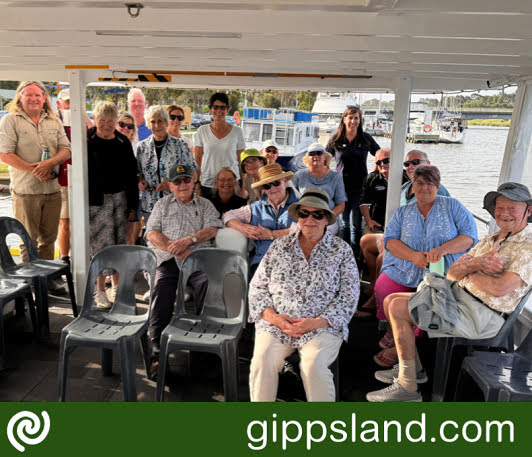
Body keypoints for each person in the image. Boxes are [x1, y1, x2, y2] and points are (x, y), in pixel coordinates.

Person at [367, 182, 532, 402]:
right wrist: (476, 265)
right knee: (391, 299)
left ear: (528, 210)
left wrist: (471, 268)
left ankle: (408, 388)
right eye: (500, 207)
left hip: (482, 316)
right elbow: (454, 272)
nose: (504, 213)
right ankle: (414, 371)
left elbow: (498, 288)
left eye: (512, 207)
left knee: (398, 308)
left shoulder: (528, 246)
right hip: (461, 299)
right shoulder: (492, 238)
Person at [248, 188, 359, 401]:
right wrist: (274, 318)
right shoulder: (279, 246)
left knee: (313, 366)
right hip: (277, 323)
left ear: (327, 219)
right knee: (261, 361)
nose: (310, 219)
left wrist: (315, 323)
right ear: (297, 217)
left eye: (317, 214)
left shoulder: (341, 250)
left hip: (321, 326)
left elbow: (349, 296)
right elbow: (257, 287)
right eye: (304, 213)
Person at [372, 165, 477, 367]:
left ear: (438, 186)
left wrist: (444, 249)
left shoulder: (452, 205)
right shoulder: (403, 212)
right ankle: (391, 328)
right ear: (413, 185)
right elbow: (390, 240)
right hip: (405, 265)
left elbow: (469, 236)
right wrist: (412, 256)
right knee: (383, 287)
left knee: (430, 302)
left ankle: (406, 342)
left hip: (442, 270)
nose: (425, 188)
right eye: (420, 182)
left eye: (431, 183)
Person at [0, 81, 71, 294]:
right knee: (28, 239)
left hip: (52, 189)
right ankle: (31, 283)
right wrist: (34, 170)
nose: (33, 99)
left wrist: (48, 164)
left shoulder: (54, 120)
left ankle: (46, 280)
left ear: (44, 99)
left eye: (38, 95)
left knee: (48, 239)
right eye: (28, 95)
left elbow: (66, 149)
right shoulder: (10, 120)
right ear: (20, 97)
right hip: (26, 191)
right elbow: (5, 154)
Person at [145, 163, 222, 355]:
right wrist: (176, 249)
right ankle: (156, 338)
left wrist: (190, 240)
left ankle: (206, 334)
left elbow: (212, 228)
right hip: (168, 258)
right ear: (170, 185)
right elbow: (151, 233)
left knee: (207, 282)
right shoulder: (161, 205)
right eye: (177, 181)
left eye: (186, 180)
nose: (182, 185)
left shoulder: (205, 205)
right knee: (161, 284)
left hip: (196, 258)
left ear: (193, 182)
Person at [87, 101, 138, 310]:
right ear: (95, 119)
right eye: (102, 120)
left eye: (110, 121)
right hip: (97, 201)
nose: (106, 125)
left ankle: (117, 288)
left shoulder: (122, 142)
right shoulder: (87, 140)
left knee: (118, 245)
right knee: (99, 247)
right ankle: (99, 291)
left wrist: (133, 205)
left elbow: (131, 176)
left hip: (120, 199)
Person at [223, 163, 298, 276]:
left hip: (292, 262)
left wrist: (272, 234)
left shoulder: (300, 207)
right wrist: (243, 228)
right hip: (262, 262)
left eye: (276, 183)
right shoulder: (255, 208)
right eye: (267, 186)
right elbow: (227, 216)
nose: (272, 188)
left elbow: (304, 229)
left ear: (285, 181)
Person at [326, 106, 380, 252]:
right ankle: (344, 253)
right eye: (350, 118)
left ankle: (356, 255)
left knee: (355, 223)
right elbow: (325, 159)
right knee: (344, 223)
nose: (353, 121)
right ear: (344, 120)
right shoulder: (335, 139)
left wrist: (374, 173)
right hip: (341, 187)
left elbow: (381, 155)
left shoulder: (365, 138)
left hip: (360, 187)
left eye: (356, 118)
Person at [136, 105, 197, 223]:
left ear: (166, 122)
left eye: (160, 121)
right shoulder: (141, 147)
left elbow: (193, 173)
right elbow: (138, 172)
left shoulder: (180, 145)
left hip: (176, 203)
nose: (157, 125)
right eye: (153, 122)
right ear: (148, 124)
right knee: (153, 239)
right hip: (150, 205)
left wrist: (171, 182)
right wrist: (140, 181)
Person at [194, 93, 245, 196]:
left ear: (227, 109)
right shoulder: (202, 131)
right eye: (215, 107)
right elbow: (198, 159)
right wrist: (196, 183)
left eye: (222, 107)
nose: (219, 111)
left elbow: (241, 161)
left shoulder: (237, 132)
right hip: (208, 183)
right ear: (210, 109)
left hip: (231, 184)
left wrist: (243, 185)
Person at [292, 142, 346, 235]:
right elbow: (292, 199)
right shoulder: (299, 176)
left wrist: (326, 218)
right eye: (312, 154)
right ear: (307, 158)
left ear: (325, 157)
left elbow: (341, 205)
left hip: (327, 219)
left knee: (324, 233)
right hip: (305, 217)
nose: (315, 156)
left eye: (319, 153)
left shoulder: (335, 177)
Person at [116, 113, 142, 246]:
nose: (126, 128)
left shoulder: (137, 146)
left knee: (131, 230)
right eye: (122, 124)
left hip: (132, 194)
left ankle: (128, 260)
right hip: (115, 195)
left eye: (130, 126)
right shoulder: (110, 143)